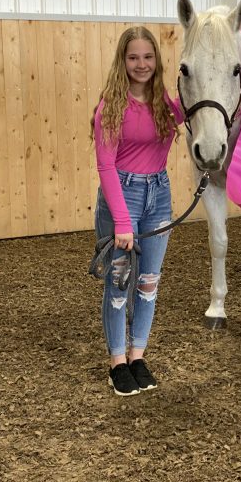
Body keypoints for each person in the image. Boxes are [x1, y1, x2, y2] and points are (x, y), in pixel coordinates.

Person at [91, 26, 183, 396]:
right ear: (123, 60)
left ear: (156, 60)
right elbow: (105, 165)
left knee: (148, 283)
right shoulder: (111, 107)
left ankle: (137, 356)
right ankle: (116, 362)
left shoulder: (165, 103)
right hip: (123, 197)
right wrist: (122, 222)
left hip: (159, 194)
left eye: (148, 57)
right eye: (133, 57)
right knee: (118, 284)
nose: (141, 64)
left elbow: (202, 118)